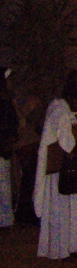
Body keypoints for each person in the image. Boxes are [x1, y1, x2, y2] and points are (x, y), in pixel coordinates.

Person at [33, 76, 77, 260]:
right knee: (63, 210)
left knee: (57, 210)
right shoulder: (62, 113)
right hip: (61, 170)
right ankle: (62, 250)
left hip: (55, 169)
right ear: (72, 98)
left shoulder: (57, 108)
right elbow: (68, 144)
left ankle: (58, 248)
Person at [0, 68, 18, 228]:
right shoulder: (3, 104)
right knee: (3, 186)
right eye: (9, 80)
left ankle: (5, 221)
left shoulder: (8, 102)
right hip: (2, 149)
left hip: (5, 149)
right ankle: (5, 222)